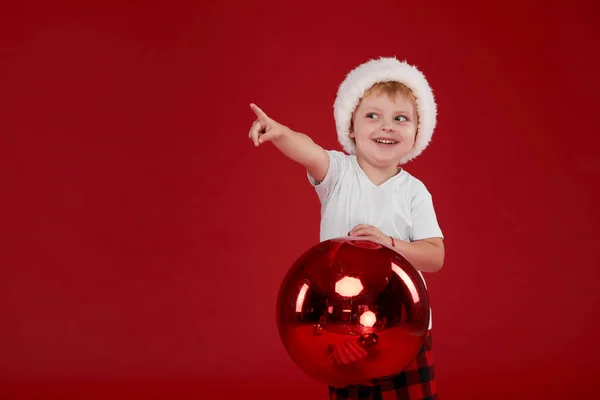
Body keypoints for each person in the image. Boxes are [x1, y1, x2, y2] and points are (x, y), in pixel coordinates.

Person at [248, 57, 444, 400]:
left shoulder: (415, 191)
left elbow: (435, 257)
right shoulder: (338, 173)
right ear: (350, 127)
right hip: (342, 326)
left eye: (401, 119)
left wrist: (390, 243)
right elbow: (307, 149)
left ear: (416, 134)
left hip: (404, 329)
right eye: (373, 116)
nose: (387, 127)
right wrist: (280, 134)